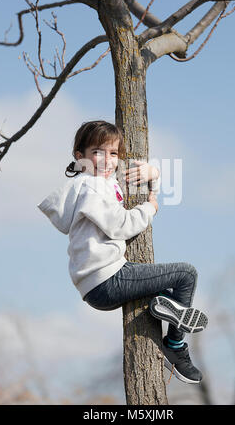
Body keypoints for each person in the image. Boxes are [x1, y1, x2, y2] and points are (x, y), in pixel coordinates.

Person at [37, 120, 208, 384]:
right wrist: (150, 207)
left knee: (170, 293)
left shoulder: (100, 183)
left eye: (114, 153)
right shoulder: (91, 187)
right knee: (186, 274)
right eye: (98, 152)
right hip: (108, 278)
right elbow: (120, 225)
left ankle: (164, 304)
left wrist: (154, 176)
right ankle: (174, 346)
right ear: (79, 157)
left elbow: (131, 179)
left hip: (102, 281)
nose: (107, 160)